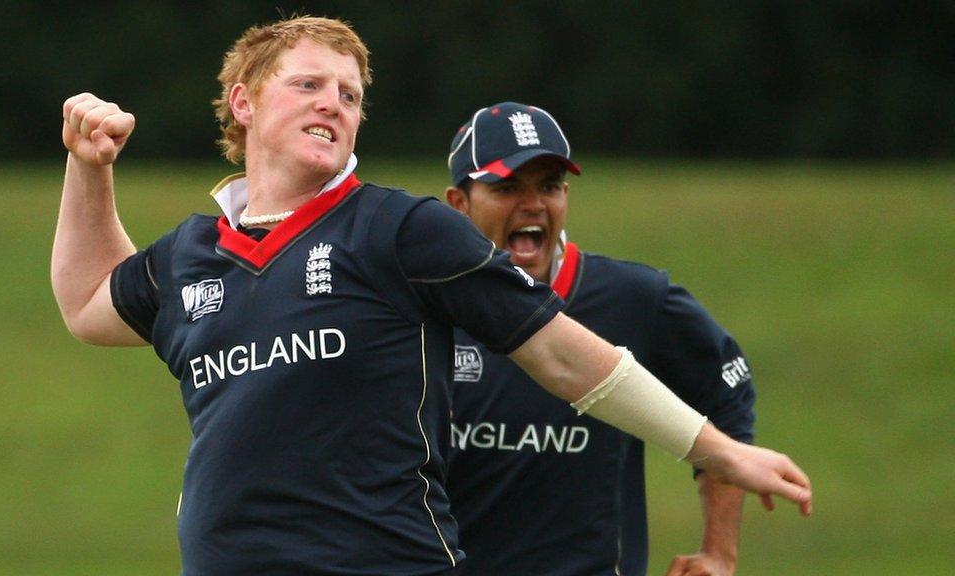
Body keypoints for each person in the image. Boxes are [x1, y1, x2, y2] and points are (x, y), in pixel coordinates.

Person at [51, 16, 811, 576]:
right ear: (244, 103)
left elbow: (562, 355)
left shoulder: (398, 228)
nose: (334, 103)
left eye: (349, 95)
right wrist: (90, 168)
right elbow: (88, 303)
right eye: (309, 84)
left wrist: (716, 449)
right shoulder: (192, 253)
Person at [443, 102, 767, 576]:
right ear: (459, 203)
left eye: (549, 186)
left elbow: (727, 394)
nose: (533, 204)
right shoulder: (422, 309)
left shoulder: (634, 299)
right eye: (507, 187)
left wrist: (719, 553)